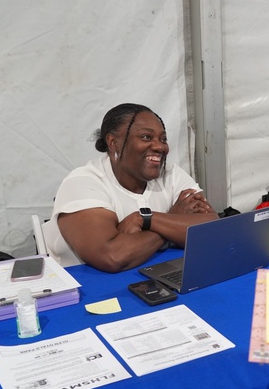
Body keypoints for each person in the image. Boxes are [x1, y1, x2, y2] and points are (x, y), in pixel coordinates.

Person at [45, 103, 218, 271]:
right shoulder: (84, 183)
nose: (160, 146)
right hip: (83, 290)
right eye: (146, 137)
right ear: (114, 142)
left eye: (163, 139)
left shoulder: (172, 174)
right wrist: (171, 219)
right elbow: (112, 256)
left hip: (151, 276)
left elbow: (213, 231)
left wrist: (146, 219)